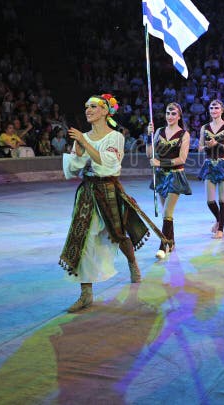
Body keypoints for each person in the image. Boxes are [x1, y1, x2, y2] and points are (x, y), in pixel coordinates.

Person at [60, 94, 165, 312]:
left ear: (105, 111)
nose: (88, 110)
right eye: (86, 106)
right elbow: (74, 168)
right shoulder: (83, 137)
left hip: (108, 188)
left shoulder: (115, 137)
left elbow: (107, 163)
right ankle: (86, 293)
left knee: (118, 233)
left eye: (93, 106)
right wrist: (78, 150)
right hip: (87, 192)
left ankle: (132, 262)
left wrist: (84, 144)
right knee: (83, 239)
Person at [146, 102, 192, 257]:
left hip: (175, 176)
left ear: (179, 116)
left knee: (167, 212)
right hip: (161, 176)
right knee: (167, 214)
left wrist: (160, 163)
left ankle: (163, 246)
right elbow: (149, 154)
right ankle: (171, 241)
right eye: (167, 113)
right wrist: (149, 136)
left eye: (173, 113)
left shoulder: (184, 134)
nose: (170, 116)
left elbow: (182, 159)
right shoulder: (159, 131)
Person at [198, 99, 224, 239]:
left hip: (223, 165)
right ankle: (219, 220)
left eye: (216, 108)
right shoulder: (204, 127)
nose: (214, 110)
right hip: (209, 165)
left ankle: (221, 230)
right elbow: (200, 148)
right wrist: (207, 146)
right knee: (210, 201)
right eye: (211, 108)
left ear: (222, 110)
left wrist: (217, 144)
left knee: (222, 199)